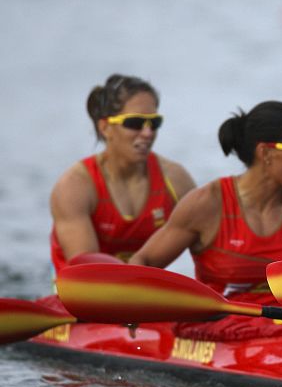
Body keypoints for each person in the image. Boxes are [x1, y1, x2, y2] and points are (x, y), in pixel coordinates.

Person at [130, 100, 282, 310]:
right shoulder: (207, 204)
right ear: (264, 152)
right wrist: (133, 309)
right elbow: (143, 261)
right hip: (218, 328)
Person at [50, 74, 195, 272]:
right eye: (135, 123)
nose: (147, 133)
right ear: (105, 127)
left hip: (140, 292)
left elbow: (214, 244)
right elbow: (87, 275)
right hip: (81, 293)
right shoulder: (74, 187)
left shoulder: (176, 179)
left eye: (154, 123)